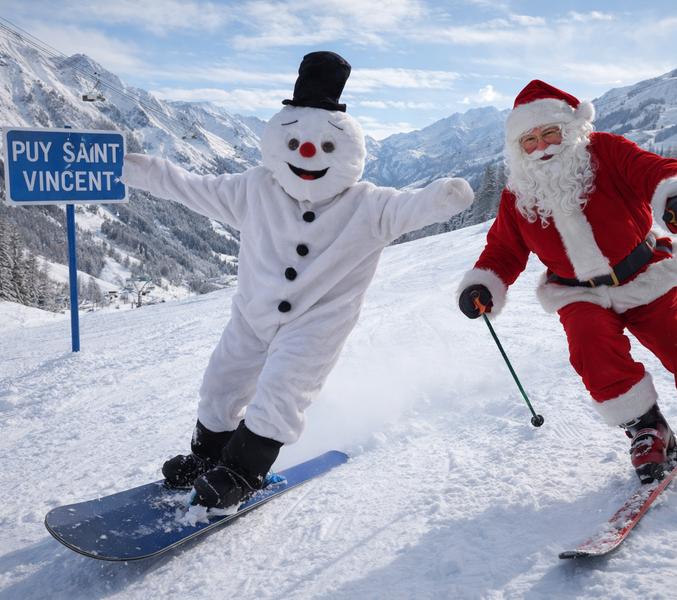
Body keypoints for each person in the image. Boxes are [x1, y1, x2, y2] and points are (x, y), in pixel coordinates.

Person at [122, 51, 473, 509]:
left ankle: (242, 471)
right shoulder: (254, 189)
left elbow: (410, 207)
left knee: (283, 389)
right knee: (222, 381)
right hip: (252, 314)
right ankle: (208, 457)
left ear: (350, 151)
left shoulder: (368, 205)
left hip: (317, 324)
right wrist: (132, 168)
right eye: (296, 146)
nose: (309, 155)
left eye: (328, 148)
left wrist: (441, 198)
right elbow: (187, 185)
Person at [456, 80, 677, 483]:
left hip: (643, 275)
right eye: (530, 140)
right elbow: (503, 250)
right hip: (576, 292)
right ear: (519, 148)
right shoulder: (519, 194)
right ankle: (647, 427)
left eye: (550, 132)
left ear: (569, 129)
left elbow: (652, 171)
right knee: (592, 351)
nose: (542, 146)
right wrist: (483, 284)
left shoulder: (605, 151)